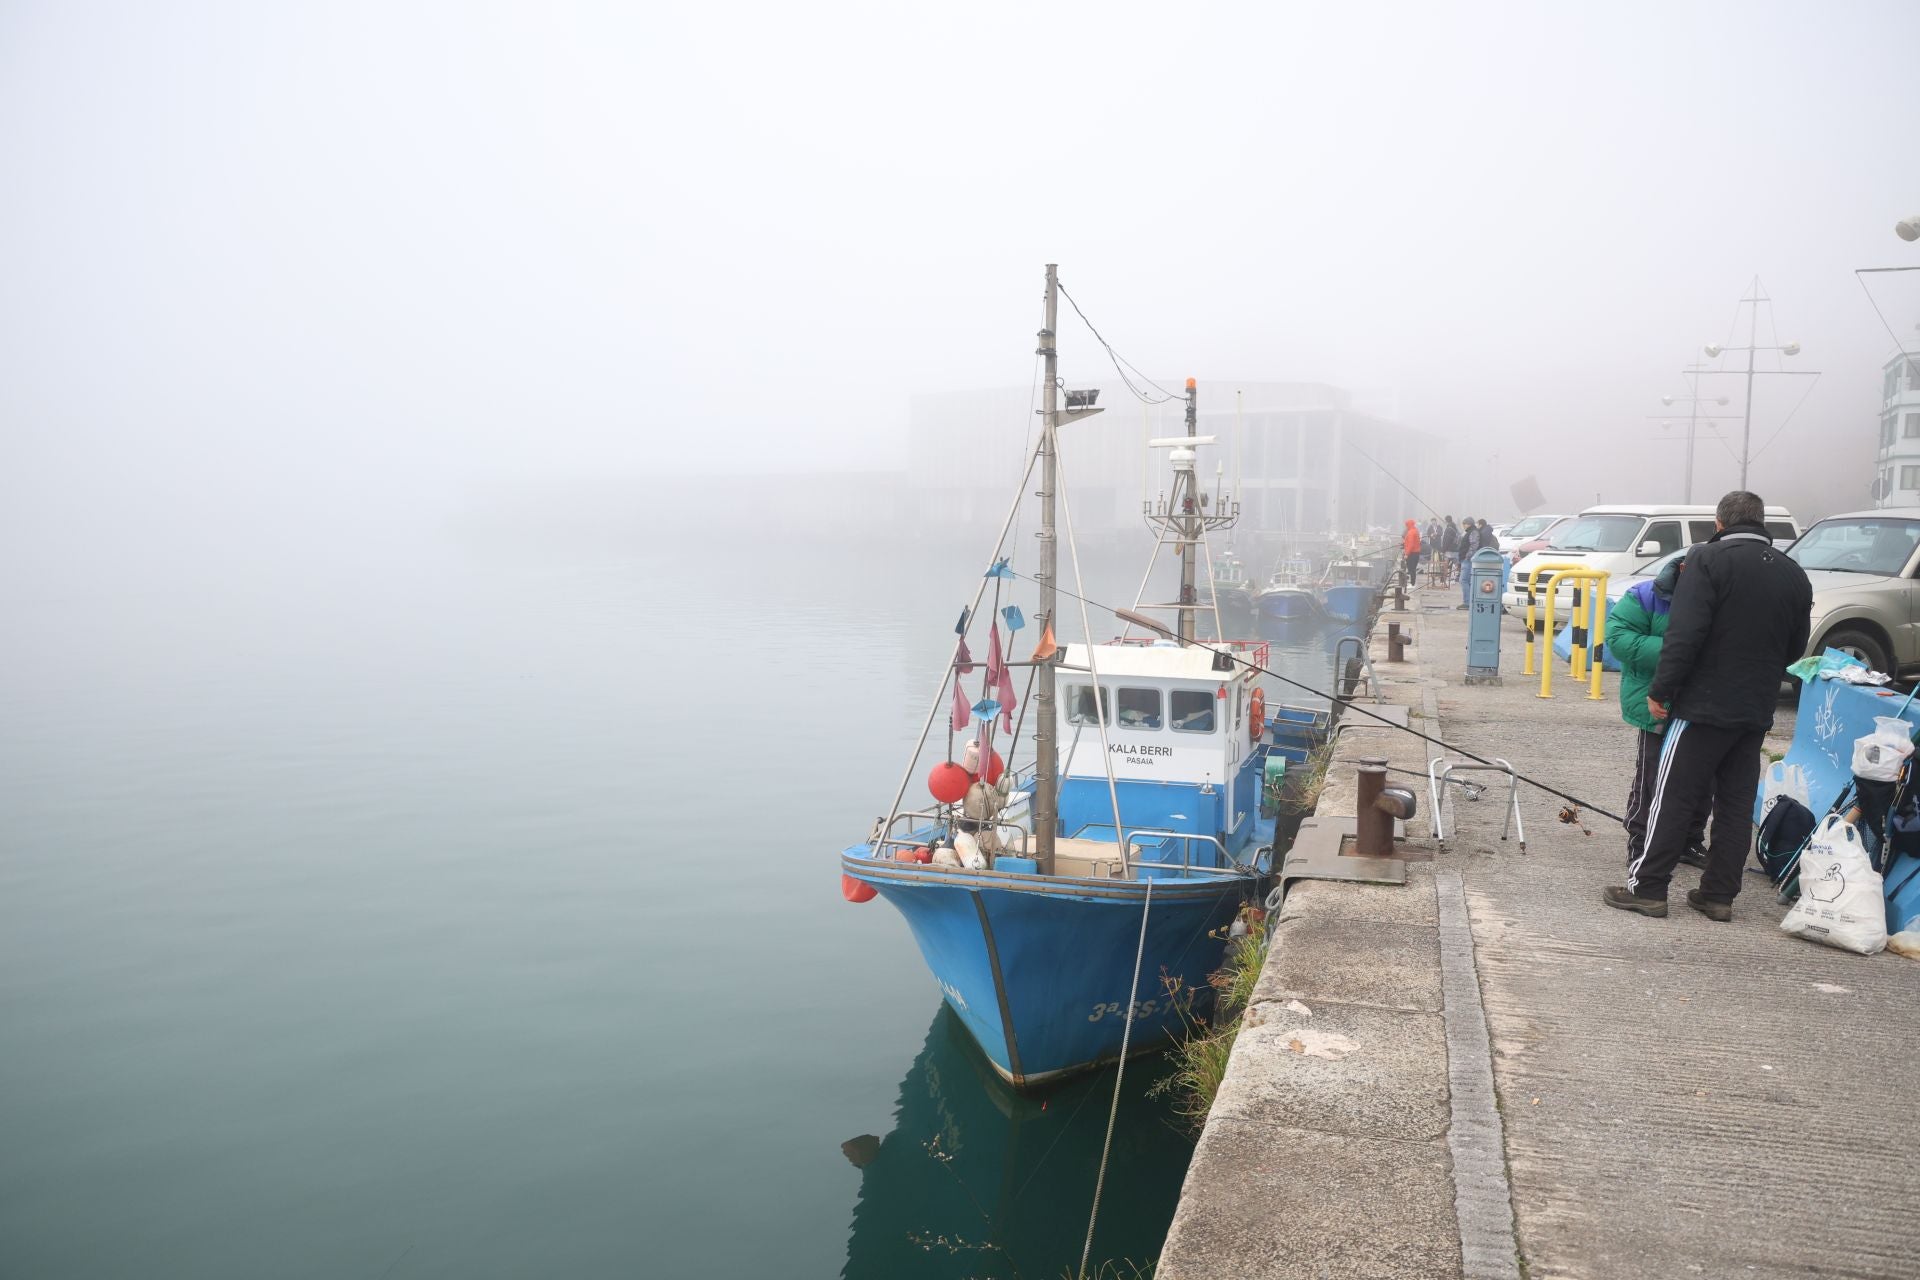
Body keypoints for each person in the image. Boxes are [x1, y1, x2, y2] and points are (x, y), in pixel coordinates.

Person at [1605, 491, 1812, 921]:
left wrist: (1662, 691)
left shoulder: (1706, 560)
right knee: (1736, 804)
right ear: (1762, 524)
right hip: (1754, 708)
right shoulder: (1794, 574)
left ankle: (1648, 889)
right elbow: (1795, 650)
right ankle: (1718, 895)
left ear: (1719, 523)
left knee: (1671, 795)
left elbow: (1685, 634)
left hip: (1700, 707)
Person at [1608, 551, 1709, 873]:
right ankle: (1639, 842)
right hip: (1656, 703)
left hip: (1703, 704)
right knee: (1651, 777)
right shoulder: (1645, 595)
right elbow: (1618, 638)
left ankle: (1690, 839)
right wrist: (1678, 651)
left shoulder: (1716, 596)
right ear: (1682, 569)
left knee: (1704, 779)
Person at [1402, 518, 1423, 585]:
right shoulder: (1415, 530)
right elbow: (1413, 542)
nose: (1406, 527)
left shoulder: (1411, 532)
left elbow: (1411, 544)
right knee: (1413, 568)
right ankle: (1412, 582)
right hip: (1416, 552)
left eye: (1406, 525)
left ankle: (1412, 583)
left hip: (1412, 553)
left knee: (1411, 569)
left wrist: (1406, 554)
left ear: (1408, 525)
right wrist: (1404, 544)